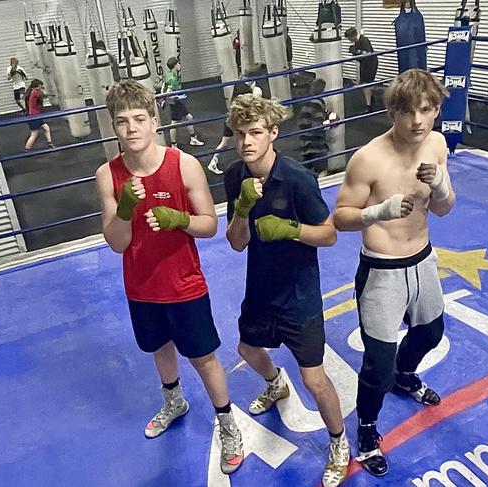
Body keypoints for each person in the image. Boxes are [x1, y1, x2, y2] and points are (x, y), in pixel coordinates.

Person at [95, 79, 243, 475]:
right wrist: (125, 207)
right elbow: (116, 243)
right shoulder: (108, 176)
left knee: (203, 357)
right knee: (160, 348)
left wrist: (179, 220)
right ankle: (174, 401)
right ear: (114, 126)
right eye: (122, 121)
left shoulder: (184, 164)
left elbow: (210, 224)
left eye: (139, 119)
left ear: (154, 120)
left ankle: (228, 423)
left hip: (184, 283)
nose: (131, 129)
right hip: (141, 287)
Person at [333, 69, 455, 477]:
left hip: (422, 260)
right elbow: (340, 218)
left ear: (437, 109)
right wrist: (379, 211)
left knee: (431, 333)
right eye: (408, 112)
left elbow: (444, 208)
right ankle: (367, 430)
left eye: (427, 110)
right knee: (376, 366)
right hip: (382, 272)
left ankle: (407, 375)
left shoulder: (436, 144)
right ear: (392, 112)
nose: (418, 121)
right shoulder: (368, 158)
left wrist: (439, 185)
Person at [223, 94, 350, 487]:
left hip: (298, 295)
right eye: (241, 133)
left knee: (314, 380)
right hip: (261, 286)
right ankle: (276, 384)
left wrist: (291, 230)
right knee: (247, 350)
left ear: (273, 134)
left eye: (256, 132)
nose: (247, 141)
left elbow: (329, 235)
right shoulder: (234, 176)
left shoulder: (297, 178)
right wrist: (242, 209)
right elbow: (236, 242)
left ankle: (339, 442)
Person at [208, 64, 264, 175]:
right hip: (236, 120)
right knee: (246, 141)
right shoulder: (246, 90)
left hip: (233, 118)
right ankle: (252, 165)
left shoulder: (240, 84)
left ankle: (213, 161)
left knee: (227, 142)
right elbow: (250, 104)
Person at [297, 78, 338, 177]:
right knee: (322, 171)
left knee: (305, 170)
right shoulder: (318, 103)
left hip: (305, 141)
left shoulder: (306, 102)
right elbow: (318, 126)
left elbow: (302, 122)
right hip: (316, 143)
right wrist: (331, 122)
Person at [160, 57, 205, 148]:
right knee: (176, 122)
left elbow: (163, 87)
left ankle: (192, 139)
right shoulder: (172, 78)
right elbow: (168, 93)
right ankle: (175, 145)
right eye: (178, 64)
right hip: (174, 102)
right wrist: (177, 96)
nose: (179, 65)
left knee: (188, 118)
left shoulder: (170, 74)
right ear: (175, 65)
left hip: (175, 101)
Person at [344, 27, 378, 112]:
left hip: (370, 64)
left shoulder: (364, 40)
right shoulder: (357, 42)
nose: (349, 40)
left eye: (349, 38)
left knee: (366, 85)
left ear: (353, 36)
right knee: (366, 84)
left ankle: (369, 106)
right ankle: (371, 102)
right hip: (365, 64)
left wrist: (356, 52)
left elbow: (367, 53)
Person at [24, 79, 54, 151]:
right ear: (37, 86)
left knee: (46, 128)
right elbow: (41, 96)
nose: (41, 87)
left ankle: (50, 144)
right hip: (34, 116)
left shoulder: (33, 91)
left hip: (36, 115)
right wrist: (51, 94)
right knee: (34, 134)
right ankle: (27, 149)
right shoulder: (34, 92)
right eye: (40, 86)